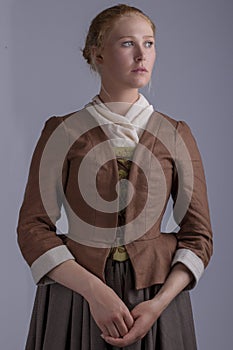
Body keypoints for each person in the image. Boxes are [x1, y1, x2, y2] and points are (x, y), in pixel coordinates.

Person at [17, 4, 213, 350]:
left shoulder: (176, 134)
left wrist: (158, 305)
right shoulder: (62, 132)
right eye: (127, 44)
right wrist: (94, 292)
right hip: (76, 297)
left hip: (155, 299)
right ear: (97, 54)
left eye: (149, 44)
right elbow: (33, 228)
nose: (142, 55)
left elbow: (198, 236)